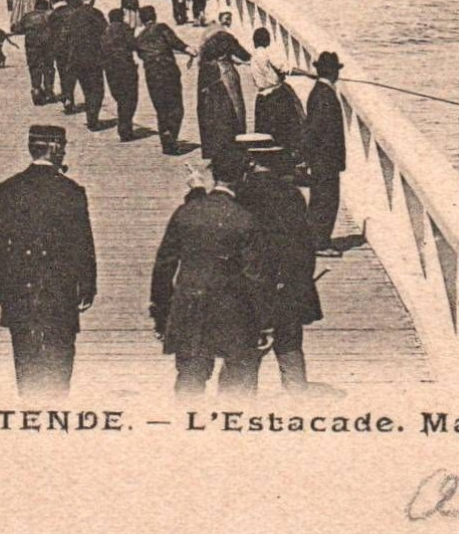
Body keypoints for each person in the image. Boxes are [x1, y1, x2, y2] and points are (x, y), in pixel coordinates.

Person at [149, 147, 272, 396]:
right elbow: (255, 276)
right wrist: (265, 324)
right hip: (233, 312)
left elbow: (164, 267)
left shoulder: (186, 212)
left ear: (214, 174)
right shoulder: (245, 219)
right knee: (237, 382)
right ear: (243, 177)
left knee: (190, 379)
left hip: (189, 306)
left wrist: (162, 314)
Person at [0, 124, 96, 398]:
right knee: (60, 365)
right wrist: (87, 286)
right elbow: (83, 244)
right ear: (54, 148)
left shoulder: (9, 189)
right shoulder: (71, 191)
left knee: (26, 363)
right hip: (59, 291)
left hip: (20, 293)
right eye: (64, 146)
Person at [237, 135, 322, 393]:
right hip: (288, 288)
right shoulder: (292, 195)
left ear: (249, 161)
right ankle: (299, 411)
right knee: (290, 350)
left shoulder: (240, 195)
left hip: (250, 290)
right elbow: (306, 247)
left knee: (245, 361)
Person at [300, 51, 347, 254]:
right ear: (334, 72)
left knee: (321, 198)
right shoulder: (325, 95)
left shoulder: (318, 91)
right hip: (325, 158)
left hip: (321, 158)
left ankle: (315, 240)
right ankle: (320, 243)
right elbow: (316, 129)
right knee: (326, 199)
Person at [134, 5, 193, 155]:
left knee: (161, 108)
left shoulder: (139, 38)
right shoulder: (161, 28)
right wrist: (188, 49)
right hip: (168, 72)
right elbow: (174, 41)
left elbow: (142, 55)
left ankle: (166, 138)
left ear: (141, 19)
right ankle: (171, 136)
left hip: (152, 75)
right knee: (175, 107)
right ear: (154, 15)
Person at [196, 12, 250, 159]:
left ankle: (211, 147)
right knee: (234, 106)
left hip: (206, 74)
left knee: (209, 110)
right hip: (223, 72)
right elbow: (244, 54)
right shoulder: (225, 36)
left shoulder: (207, 35)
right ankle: (235, 142)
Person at [250, 28, 304, 155]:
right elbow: (286, 69)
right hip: (276, 96)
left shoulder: (253, 57)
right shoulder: (267, 54)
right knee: (288, 129)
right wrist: (309, 74)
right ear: (267, 40)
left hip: (261, 98)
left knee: (265, 132)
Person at [68, 0, 109, 130]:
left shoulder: (73, 15)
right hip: (94, 57)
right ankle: (93, 119)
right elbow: (106, 33)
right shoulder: (97, 14)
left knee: (86, 89)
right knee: (97, 90)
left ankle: (90, 117)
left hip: (77, 57)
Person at [102, 7, 140, 141]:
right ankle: (125, 127)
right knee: (130, 98)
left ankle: (124, 125)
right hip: (126, 67)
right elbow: (133, 45)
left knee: (120, 97)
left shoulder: (105, 31)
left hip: (110, 69)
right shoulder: (125, 29)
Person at [14, 0, 55, 105]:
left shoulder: (28, 16)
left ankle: (36, 89)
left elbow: (18, 30)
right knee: (48, 67)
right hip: (48, 44)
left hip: (32, 46)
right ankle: (49, 91)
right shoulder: (50, 16)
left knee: (34, 67)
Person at [48, 0, 79, 113]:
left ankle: (68, 97)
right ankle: (69, 96)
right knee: (73, 73)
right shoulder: (74, 12)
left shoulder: (52, 15)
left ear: (52, 2)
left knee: (63, 73)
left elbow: (50, 34)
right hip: (75, 47)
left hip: (60, 48)